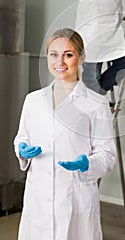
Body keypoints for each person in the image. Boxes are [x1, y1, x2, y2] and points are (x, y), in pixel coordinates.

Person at [14, 28, 116, 240]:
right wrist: (22, 150)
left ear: (81, 57)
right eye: (54, 54)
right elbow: (22, 137)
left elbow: (107, 155)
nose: (60, 61)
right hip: (39, 197)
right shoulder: (33, 100)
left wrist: (86, 163)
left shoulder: (96, 104)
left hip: (75, 196)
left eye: (68, 54)